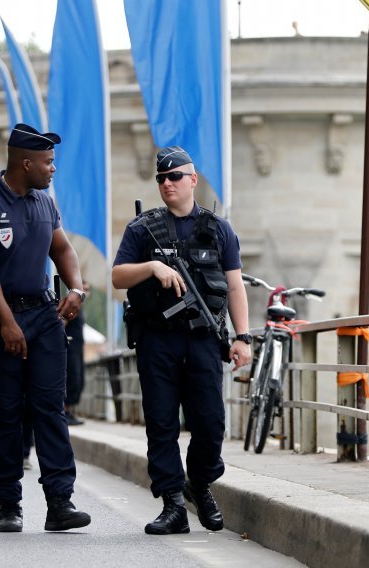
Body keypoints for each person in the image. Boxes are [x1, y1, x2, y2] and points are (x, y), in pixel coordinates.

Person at [0, 122, 91, 533]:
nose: (53, 170)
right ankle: (9, 504)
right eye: (48, 163)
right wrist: (7, 323)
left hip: (43, 317)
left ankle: (59, 503)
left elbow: (62, 248)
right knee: (6, 412)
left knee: (51, 409)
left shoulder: (44, 203)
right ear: (25, 162)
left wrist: (78, 289)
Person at [112, 146, 252, 535]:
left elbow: (236, 287)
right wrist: (153, 266)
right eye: (161, 178)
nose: (167, 184)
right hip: (157, 339)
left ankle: (200, 482)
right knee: (160, 424)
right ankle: (172, 502)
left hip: (204, 339)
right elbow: (118, 276)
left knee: (210, 424)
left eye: (175, 177)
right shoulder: (142, 229)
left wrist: (242, 338)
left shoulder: (218, 228)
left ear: (193, 180)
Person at [64, 281, 89, 426]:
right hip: (70, 348)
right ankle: (65, 411)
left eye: (87, 289)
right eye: (83, 289)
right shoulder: (71, 306)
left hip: (78, 348)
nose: (86, 292)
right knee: (72, 378)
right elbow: (63, 323)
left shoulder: (79, 308)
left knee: (79, 379)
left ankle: (69, 411)